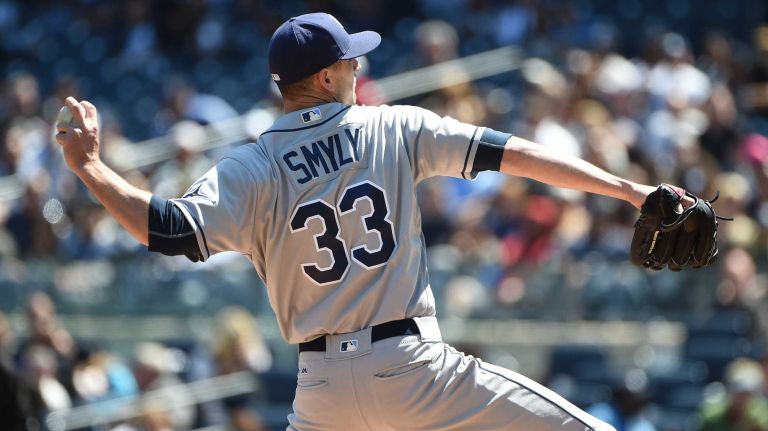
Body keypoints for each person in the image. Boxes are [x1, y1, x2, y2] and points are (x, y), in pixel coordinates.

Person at [55, 12, 681, 431]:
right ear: (325, 76)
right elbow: (510, 153)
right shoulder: (391, 126)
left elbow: (167, 229)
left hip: (320, 392)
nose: (359, 69)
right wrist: (628, 190)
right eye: (351, 61)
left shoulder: (249, 166)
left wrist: (91, 169)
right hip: (412, 370)